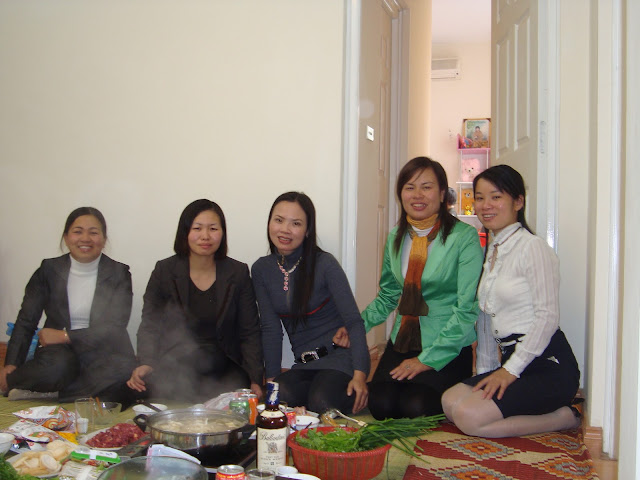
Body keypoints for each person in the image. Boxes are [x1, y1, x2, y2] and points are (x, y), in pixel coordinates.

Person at [441, 165, 581, 437]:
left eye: (496, 197)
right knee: (450, 402)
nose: (485, 205)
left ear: (518, 202)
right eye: (479, 198)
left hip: (547, 365)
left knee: (469, 417)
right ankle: (513, 408)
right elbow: (485, 320)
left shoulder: (533, 248)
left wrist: (509, 372)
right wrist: (486, 374)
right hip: (510, 362)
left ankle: (563, 417)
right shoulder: (492, 251)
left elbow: (548, 317)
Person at [362, 157, 483, 419]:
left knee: (414, 406)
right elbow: (388, 295)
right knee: (381, 405)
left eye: (426, 187)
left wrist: (426, 359)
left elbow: (466, 308)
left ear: (442, 194)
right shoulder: (395, 237)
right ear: (400, 194)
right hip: (403, 340)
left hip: (448, 344)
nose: (417, 195)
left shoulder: (464, 237)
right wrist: (356, 326)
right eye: (410, 187)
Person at [127, 199, 263, 402]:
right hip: (176, 363)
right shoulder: (165, 271)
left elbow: (249, 330)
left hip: (225, 366)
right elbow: (150, 324)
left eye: (213, 228)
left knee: (225, 395)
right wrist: (146, 362)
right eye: (197, 228)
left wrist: (255, 378)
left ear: (222, 233)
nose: (205, 236)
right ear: (185, 232)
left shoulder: (237, 272)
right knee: (137, 389)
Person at [0, 207, 136, 404]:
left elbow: (115, 327)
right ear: (66, 237)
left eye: (93, 232)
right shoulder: (48, 270)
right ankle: (75, 391)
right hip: (59, 354)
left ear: (104, 239)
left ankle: (52, 393)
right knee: (57, 368)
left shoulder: (119, 273)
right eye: (78, 231)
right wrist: (11, 363)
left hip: (103, 350)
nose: (85, 239)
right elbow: (26, 320)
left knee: (125, 374)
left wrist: (65, 336)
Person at [252, 192, 369, 414]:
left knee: (322, 401)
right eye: (279, 220)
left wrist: (360, 375)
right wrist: (272, 380)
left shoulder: (325, 263)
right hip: (304, 365)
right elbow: (270, 329)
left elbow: (354, 321)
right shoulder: (261, 269)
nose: (285, 229)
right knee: (281, 398)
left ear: (307, 231)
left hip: (339, 359)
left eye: (295, 223)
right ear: (269, 223)